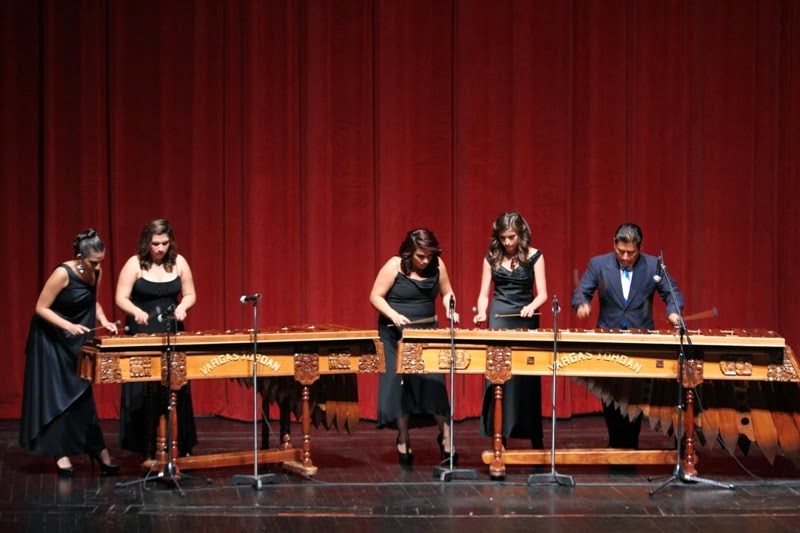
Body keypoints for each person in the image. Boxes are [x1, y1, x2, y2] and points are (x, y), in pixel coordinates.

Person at [572, 222, 683, 449]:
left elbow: (672, 292)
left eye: (630, 253)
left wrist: (673, 311)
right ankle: (615, 443)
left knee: (635, 396)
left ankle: (631, 445)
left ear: (639, 249)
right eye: (620, 251)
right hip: (609, 337)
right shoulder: (599, 264)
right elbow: (582, 291)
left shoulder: (653, 265)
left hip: (640, 338)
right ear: (614, 244)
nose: (625, 257)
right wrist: (582, 304)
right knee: (610, 395)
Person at [19, 229, 120, 477]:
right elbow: (41, 308)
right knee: (55, 395)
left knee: (81, 392)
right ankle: (60, 453)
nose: (98, 266)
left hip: (75, 341)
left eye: (101, 261)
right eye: (93, 261)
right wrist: (67, 325)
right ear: (79, 257)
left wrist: (105, 321)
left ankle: (97, 449)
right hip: (50, 340)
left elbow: (93, 302)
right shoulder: (62, 274)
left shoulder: (97, 271)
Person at [369, 228, 459, 467]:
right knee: (400, 386)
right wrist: (394, 314)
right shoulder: (394, 266)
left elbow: (447, 292)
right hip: (394, 334)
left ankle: (447, 439)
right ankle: (403, 437)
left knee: (434, 384)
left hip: (425, 333)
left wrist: (451, 310)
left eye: (429, 255)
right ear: (409, 252)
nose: (425, 260)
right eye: (421, 255)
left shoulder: (437, 265)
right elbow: (376, 296)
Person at [115, 219, 198, 457]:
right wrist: (136, 312)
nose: (160, 248)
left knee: (175, 384)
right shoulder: (134, 264)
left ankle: (178, 443)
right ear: (147, 243)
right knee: (143, 388)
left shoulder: (179, 262)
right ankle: (146, 446)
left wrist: (183, 306)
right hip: (142, 331)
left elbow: (190, 294)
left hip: (171, 330)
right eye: (155, 244)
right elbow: (121, 297)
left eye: (164, 243)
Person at [473, 211, 547, 449]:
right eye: (503, 237)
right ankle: (499, 436)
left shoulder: (535, 256)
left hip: (526, 318)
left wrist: (531, 306)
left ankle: (534, 437)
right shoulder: (491, 258)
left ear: (521, 234)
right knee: (499, 377)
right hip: (499, 316)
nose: (507, 242)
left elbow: (543, 294)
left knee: (526, 378)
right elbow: (484, 294)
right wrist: (482, 313)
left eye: (511, 237)